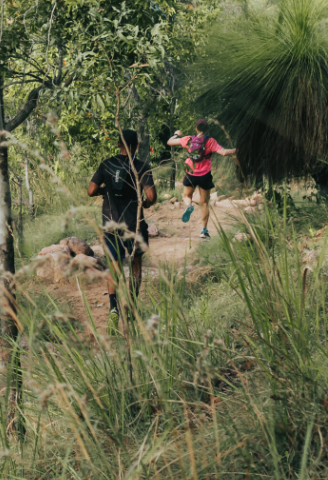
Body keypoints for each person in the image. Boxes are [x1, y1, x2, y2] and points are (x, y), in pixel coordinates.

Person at [87, 130, 157, 334]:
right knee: (135, 264)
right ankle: (132, 306)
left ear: (118, 144)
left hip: (110, 223)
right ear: (136, 145)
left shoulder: (106, 164)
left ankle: (113, 309)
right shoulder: (141, 166)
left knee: (114, 266)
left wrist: (105, 190)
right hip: (134, 224)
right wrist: (145, 202)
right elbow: (151, 195)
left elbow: (91, 190)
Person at [166, 118, 237, 239]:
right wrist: (238, 150)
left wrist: (177, 134)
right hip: (205, 175)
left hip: (191, 173)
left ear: (196, 128)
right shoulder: (210, 141)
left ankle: (189, 205)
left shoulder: (188, 139)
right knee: (204, 203)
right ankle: (204, 231)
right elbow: (224, 152)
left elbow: (169, 142)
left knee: (186, 196)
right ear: (207, 129)